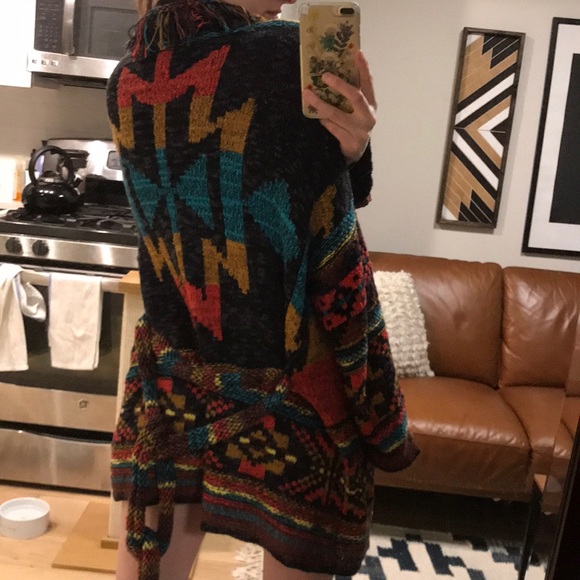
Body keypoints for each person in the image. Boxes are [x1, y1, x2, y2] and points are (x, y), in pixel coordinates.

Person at [107, 1, 419, 579]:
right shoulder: (282, 55)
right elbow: (328, 232)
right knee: (298, 536)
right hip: (291, 378)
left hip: (176, 366)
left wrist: (343, 152)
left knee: (163, 536)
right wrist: (354, 153)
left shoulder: (127, 79)